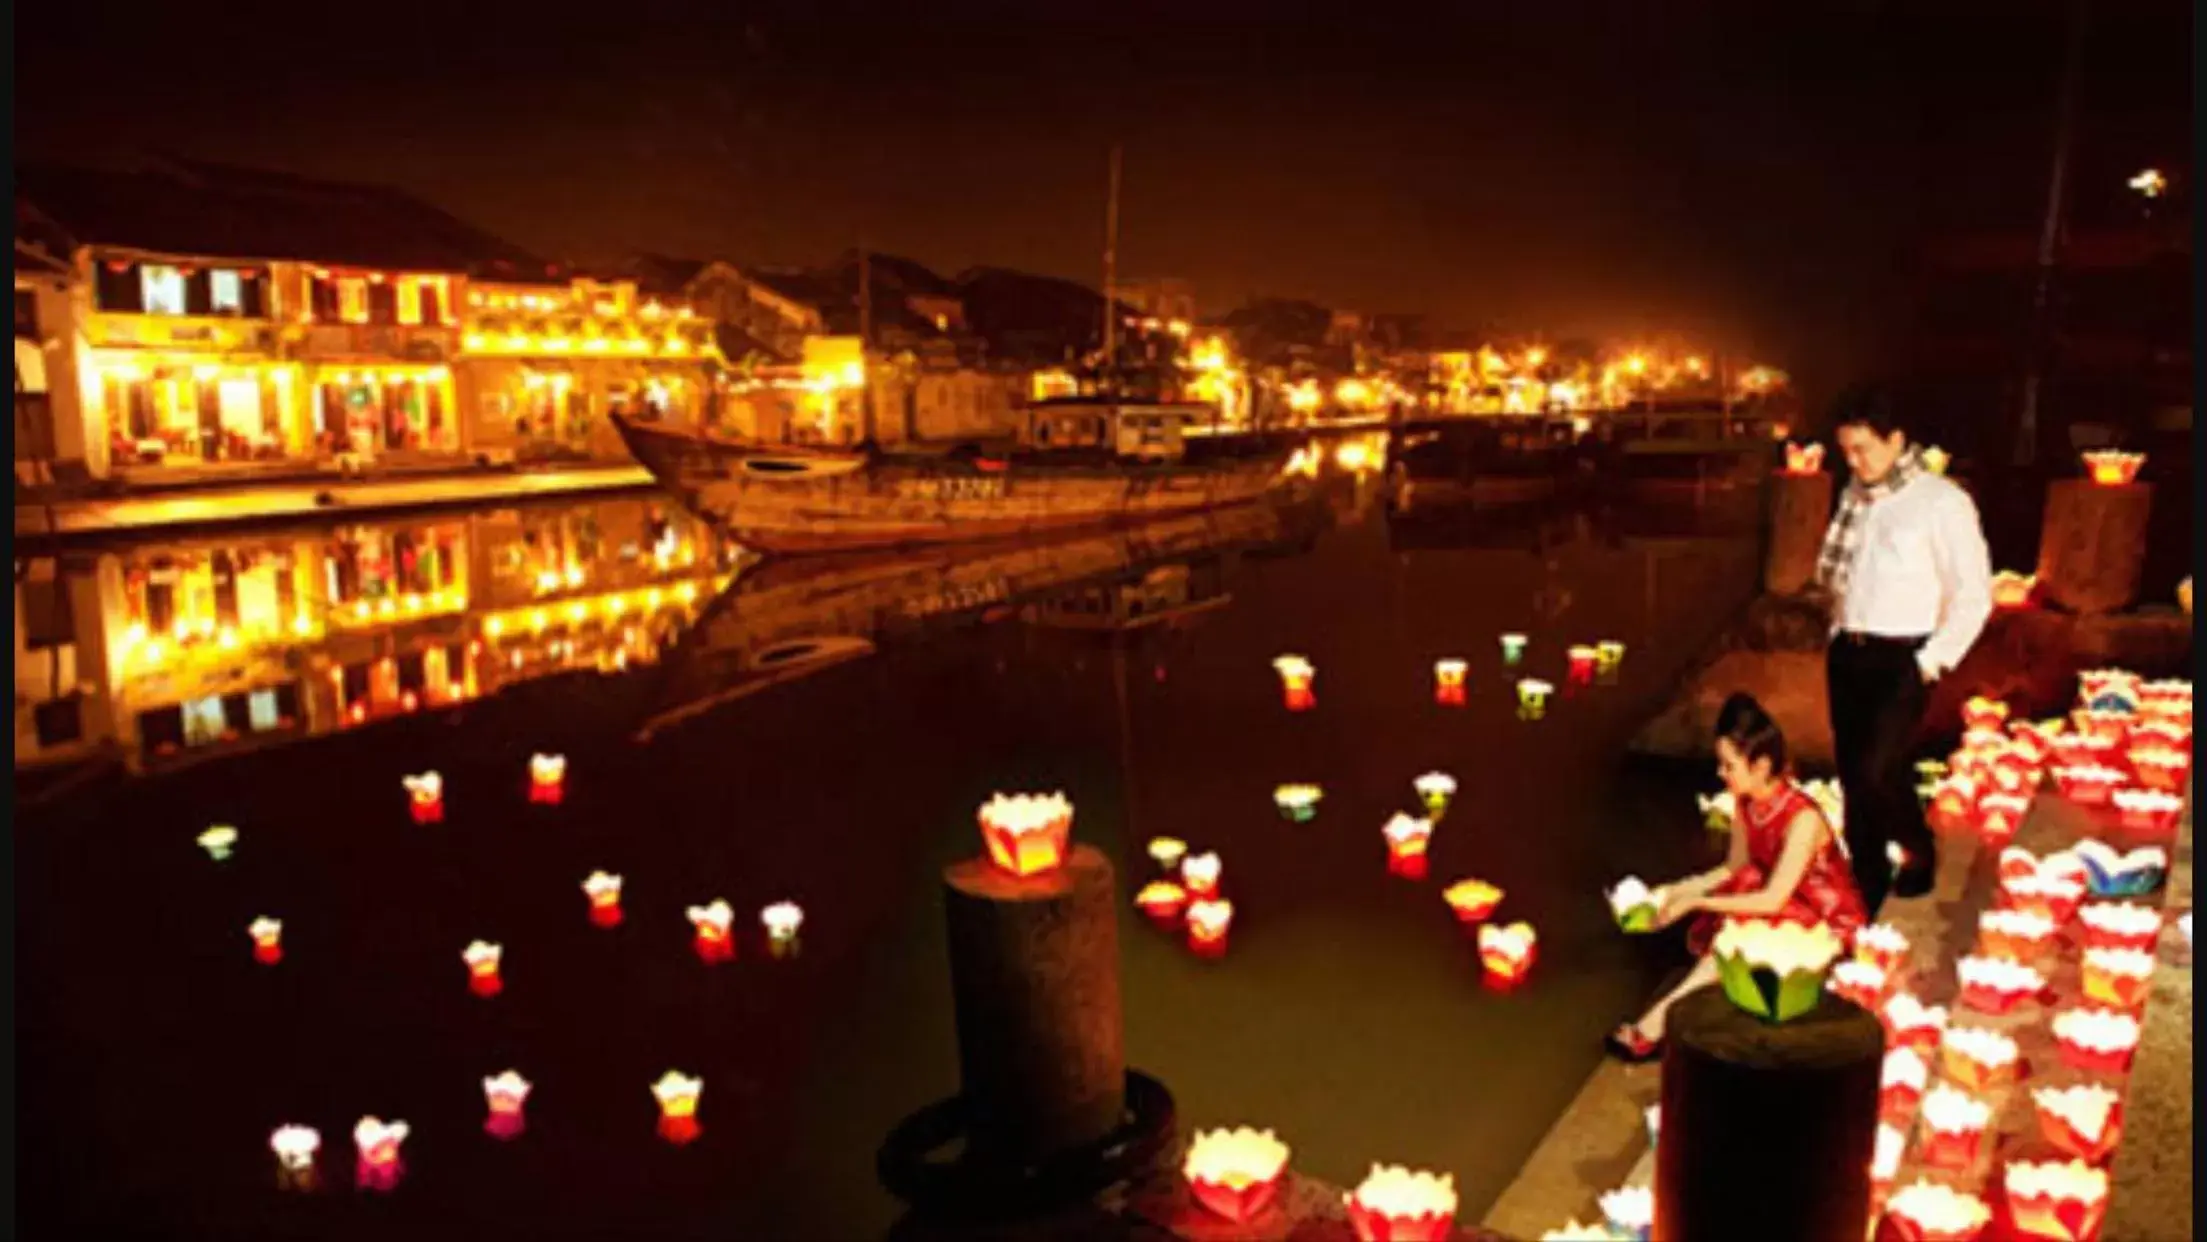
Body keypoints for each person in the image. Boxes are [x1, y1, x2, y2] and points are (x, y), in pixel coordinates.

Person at [1606, 693, 1868, 1061]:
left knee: (1738, 926)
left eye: (1729, 766)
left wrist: (1696, 901)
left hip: (1823, 918)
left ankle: (1653, 1027)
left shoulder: (1803, 819)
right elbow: (1732, 867)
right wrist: (1672, 892)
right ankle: (1661, 1021)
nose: (1721, 774)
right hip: (1782, 903)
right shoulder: (1748, 804)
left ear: (1760, 766)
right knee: (1738, 895)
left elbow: (1774, 897)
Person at [1814, 385, 1993, 914]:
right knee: (1853, 774)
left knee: (1879, 768)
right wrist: (1836, 634)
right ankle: (1866, 880)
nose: (1855, 461)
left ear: (1896, 440)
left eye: (1864, 449)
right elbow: (1847, 579)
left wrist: (1930, 660)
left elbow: (1974, 593)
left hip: (1904, 657)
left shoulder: (1941, 503)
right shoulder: (1856, 498)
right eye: (1846, 450)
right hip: (1849, 651)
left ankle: (1917, 850)